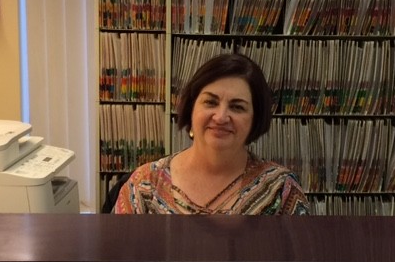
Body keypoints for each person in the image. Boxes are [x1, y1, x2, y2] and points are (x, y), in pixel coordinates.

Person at [114, 53, 310, 215]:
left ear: (255, 119)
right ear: (191, 108)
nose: (221, 117)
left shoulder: (281, 190)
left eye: (237, 107)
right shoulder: (144, 185)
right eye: (210, 102)